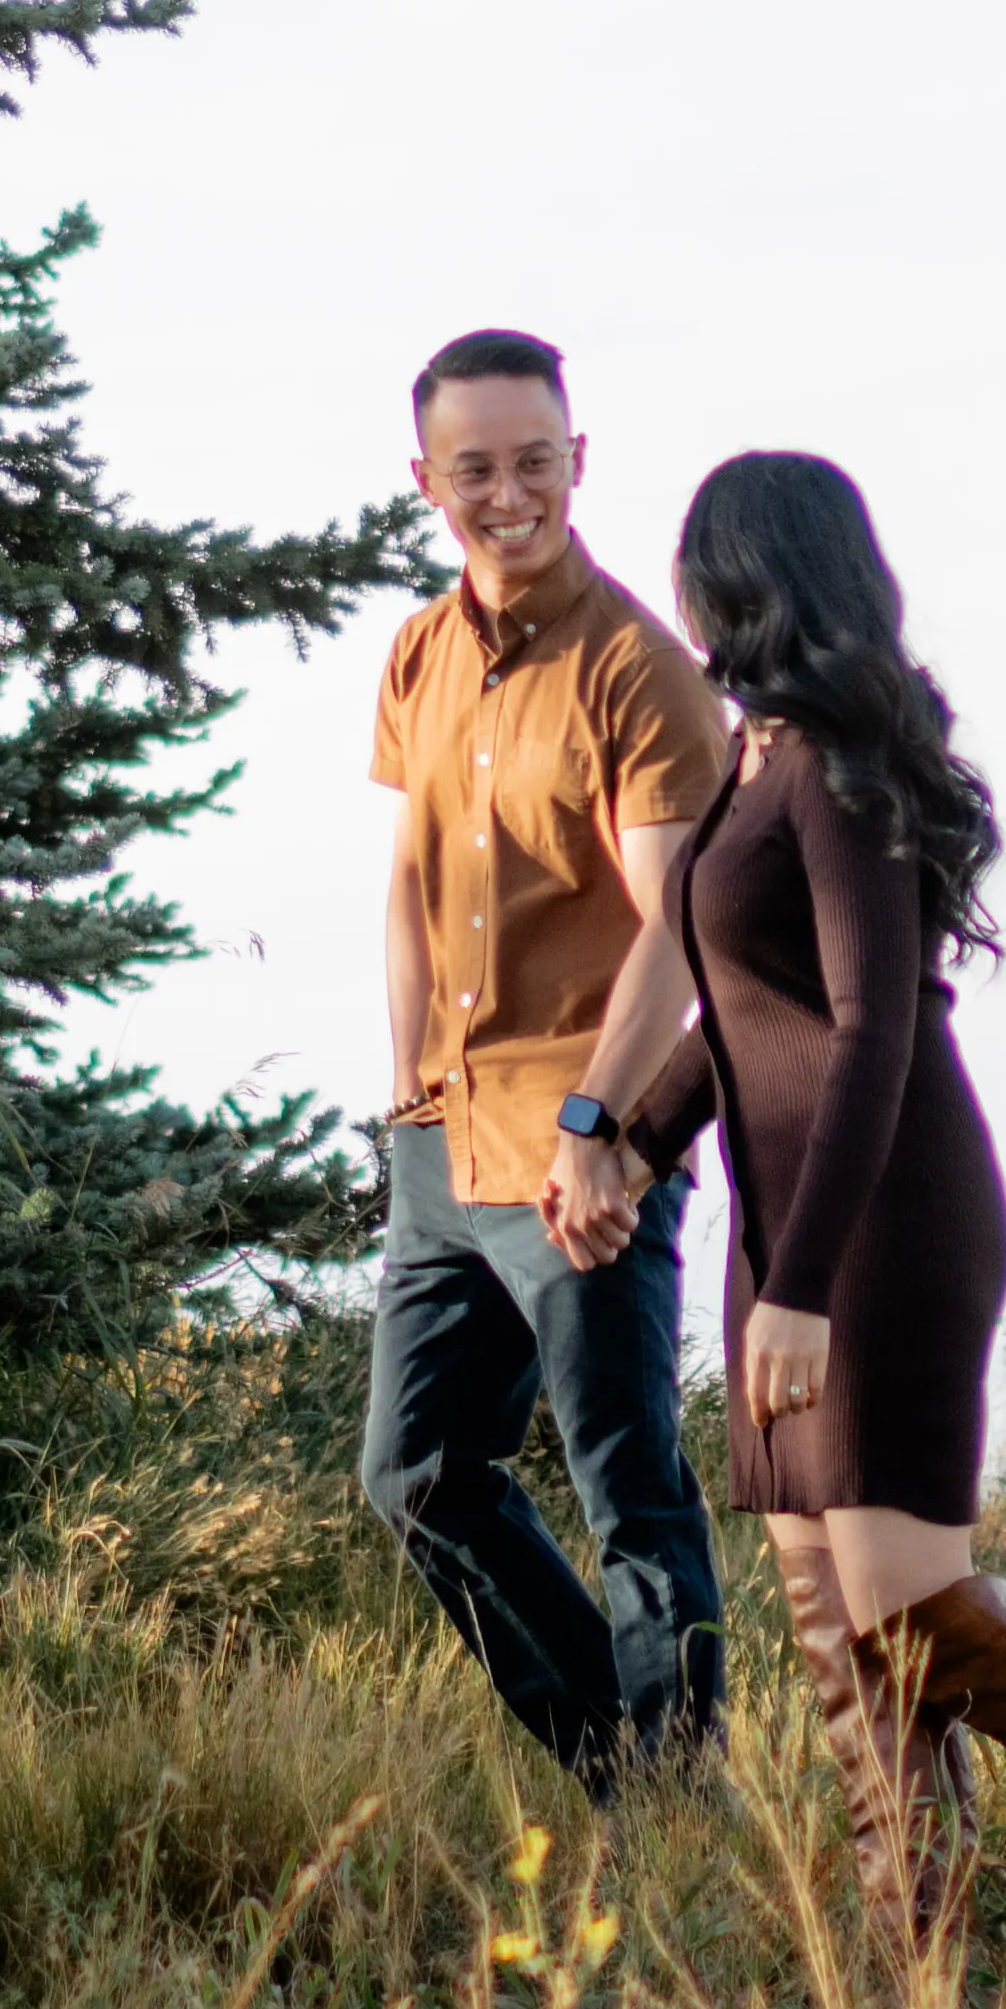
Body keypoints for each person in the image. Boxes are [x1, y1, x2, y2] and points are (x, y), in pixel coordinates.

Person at [563, 446, 1006, 1944]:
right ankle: (914, 1947)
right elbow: (738, 1012)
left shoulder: (839, 771)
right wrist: (634, 1148)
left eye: (695, 563)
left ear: (744, 577)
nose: (681, 591)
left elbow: (871, 1033)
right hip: (788, 1230)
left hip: (881, 1229)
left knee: (908, 1606)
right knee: (838, 1628)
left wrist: (807, 1285)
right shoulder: (759, 763)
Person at [356, 327, 733, 1780]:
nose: (506, 494)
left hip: (582, 1152)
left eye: (532, 463)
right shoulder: (417, 655)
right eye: (474, 471)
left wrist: (597, 1124)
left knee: (628, 1488)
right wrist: (401, 1096)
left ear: (577, 462)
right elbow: (407, 880)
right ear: (427, 480)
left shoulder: (639, 669)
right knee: (419, 1473)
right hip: (442, 1146)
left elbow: (680, 935)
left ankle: (683, 1810)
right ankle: (617, 1762)